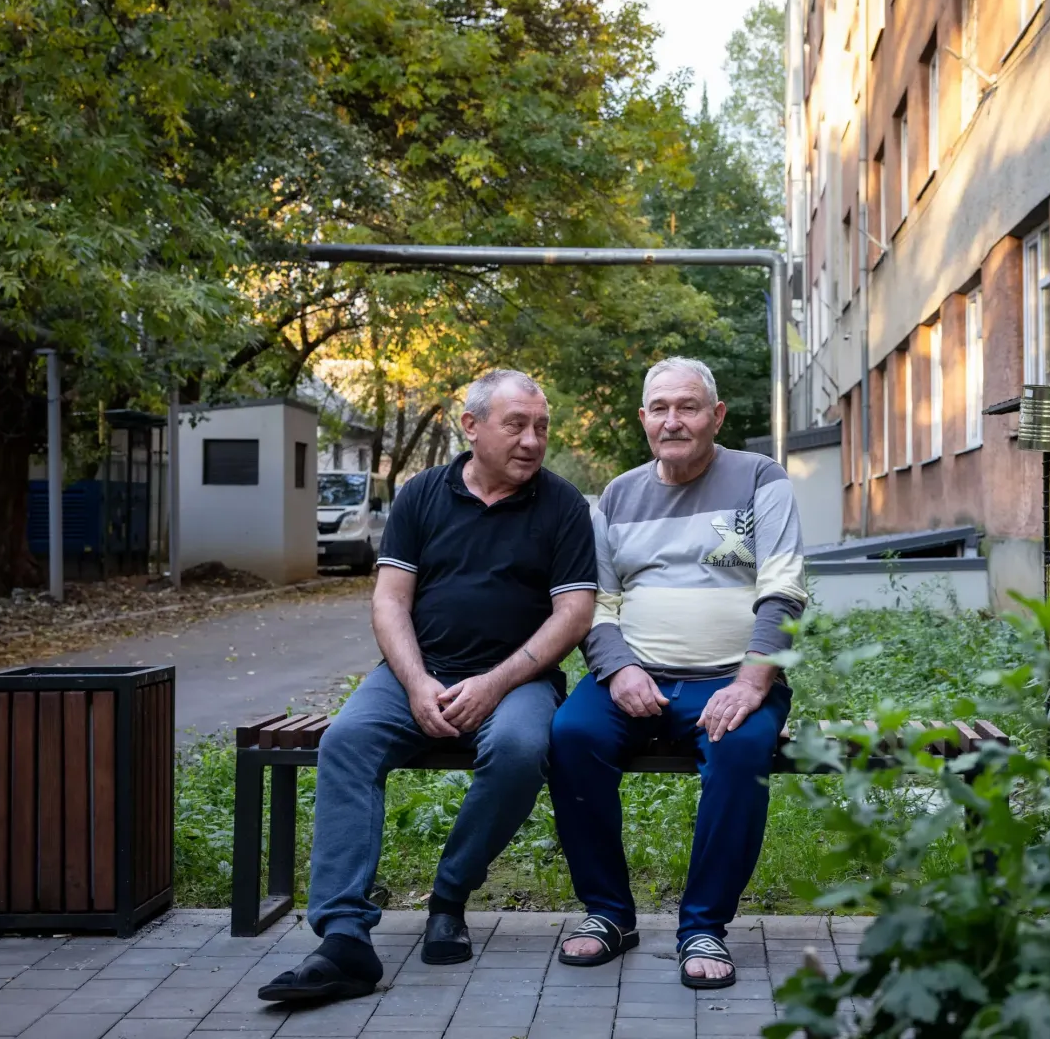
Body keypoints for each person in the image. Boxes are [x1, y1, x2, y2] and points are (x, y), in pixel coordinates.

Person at [259, 370, 596, 1004]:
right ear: (470, 427)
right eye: (516, 425)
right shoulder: (421, 495)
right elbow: (389, 602)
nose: (532, 440)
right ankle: (344, 939)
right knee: (349, 741)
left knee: (522, 750)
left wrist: (493, 685)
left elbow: (574, 615)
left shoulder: (562, 504)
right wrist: (416, 683)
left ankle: (450, 894)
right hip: (417, 671)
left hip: (518, 678)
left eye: (542, 427)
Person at [549, 356, 807, 990]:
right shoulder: (617, 495)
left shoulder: (760, 478)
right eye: (659, 409)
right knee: (570, 736)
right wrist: (617, 671)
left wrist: (751, 682)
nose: (673, 421)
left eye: (687, 407)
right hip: (634, 676)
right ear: (643, 420)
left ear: (716, 416)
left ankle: (704, 926)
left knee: (742, 746)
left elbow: (785, 588)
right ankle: (607, 913)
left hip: (732, 679)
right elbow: (599, 603)